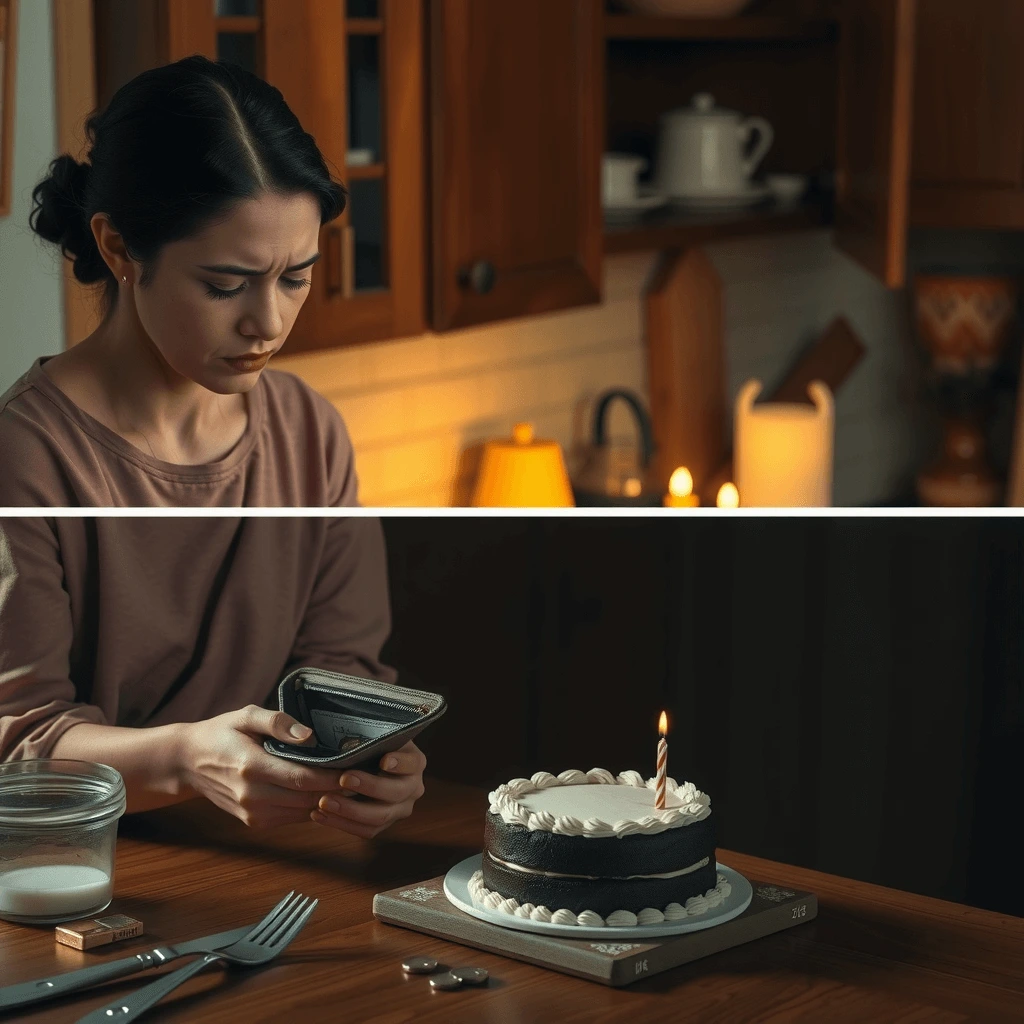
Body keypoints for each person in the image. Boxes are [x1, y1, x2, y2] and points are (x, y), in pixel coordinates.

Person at [0, 55, 357, 506]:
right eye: (225, 285)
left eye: (295, 278)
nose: (268, 325)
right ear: (117, 247)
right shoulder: (27, 458)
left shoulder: (309, 432)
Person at [0, 515, 428, 837]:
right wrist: (183, 760)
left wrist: (363, 765)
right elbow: (17, 740)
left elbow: (339, 677)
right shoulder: (25, 455)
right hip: (67, 848)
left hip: (263, 844)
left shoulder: (317, 438)